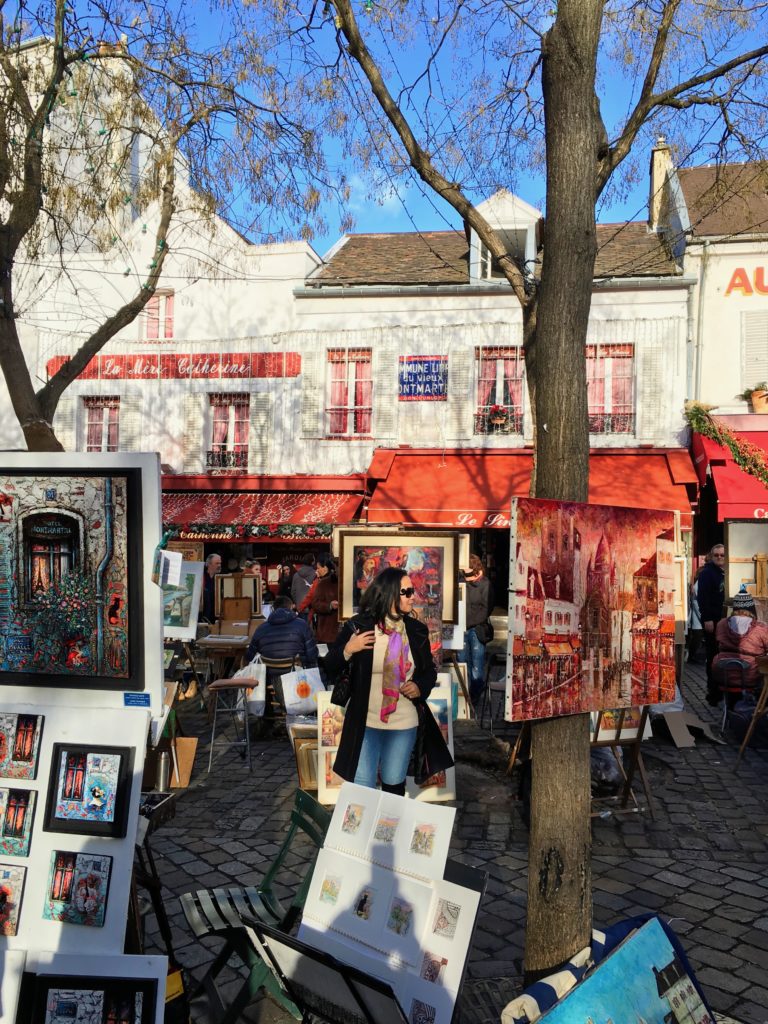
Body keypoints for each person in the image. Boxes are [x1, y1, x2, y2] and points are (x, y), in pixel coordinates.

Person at [323, 567, 437, 796]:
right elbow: (329, 666)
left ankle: (388, 831)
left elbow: (428, 672)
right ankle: (364, 832)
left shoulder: (416, 630)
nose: (412, 596)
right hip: (365, 721)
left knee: (393, 783)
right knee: (363, 786)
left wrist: (419, 686)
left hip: (403, 722)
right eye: (407, 592)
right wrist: (348, 649)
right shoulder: (359, 627)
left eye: (412, 591)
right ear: (391, 594)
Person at [712, 589, 768, 694]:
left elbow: (718, 642)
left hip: (722, 672)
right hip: (749, 674)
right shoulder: (760, 629)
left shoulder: (721, 624)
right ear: (752, 609)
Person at [458, 554, 494, 703]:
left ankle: (474, 697)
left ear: (477, 572)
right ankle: (465, 698)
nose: (465, 579)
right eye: (463, 575)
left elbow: (486, 609)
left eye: (468, 575)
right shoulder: (462, 581)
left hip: (476, 628)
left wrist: (468, 623)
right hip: (461, 627)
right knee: (462, 664)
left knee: (477, 668)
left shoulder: (485, 584)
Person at [245, 595, 318, 666]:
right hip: (296, 674)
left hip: (269, 675)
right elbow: (312, 655)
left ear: (273, 609)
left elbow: (250, 656)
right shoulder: (302, 625)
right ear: (291, 607)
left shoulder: (261, 628)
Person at [698, 543, 726, 704]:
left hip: (725, 619)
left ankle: (723, 690)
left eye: (722, 555)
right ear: (711, 556)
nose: (720, 557)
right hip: (713, 620)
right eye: (716, 555)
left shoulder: (727, 571)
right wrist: (707, 618)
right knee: (713, 655)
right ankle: (713, 692)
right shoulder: (707, 573)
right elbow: (703, 597)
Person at [301, 553, 340, 643]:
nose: (316, 571)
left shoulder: (350, 582)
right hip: (328, 631)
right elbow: (314, 602)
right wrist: (329, 605)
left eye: (318, 568)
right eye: (336, 565)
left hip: (345, 631)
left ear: (325, 568)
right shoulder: (322, 583)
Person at [201, 552, 222, 624]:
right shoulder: (202, 576)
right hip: (203, 617)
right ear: (209, 564)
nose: (219, 565)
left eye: (220, 563)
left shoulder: (220, 578)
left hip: (216, 617)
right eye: (217, 563)